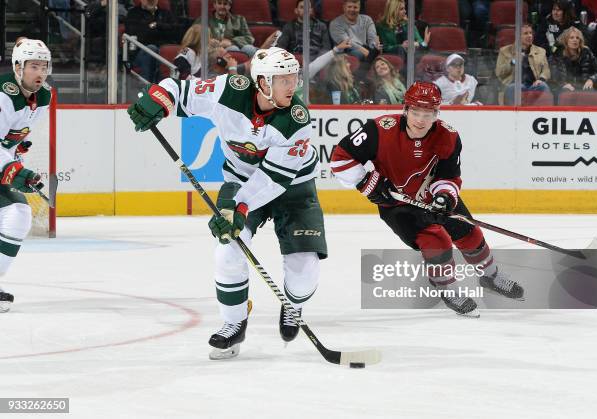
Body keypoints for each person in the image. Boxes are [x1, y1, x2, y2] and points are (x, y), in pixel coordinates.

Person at [126, 47, 326, 359]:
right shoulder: (227, 90)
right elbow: (180, 90)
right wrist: (159, 100)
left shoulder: (296, 120)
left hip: (294, 188)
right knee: (227, 249)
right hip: (240, 181)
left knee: (304, 272)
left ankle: (293, 305)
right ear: (262, 82)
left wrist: (240, 207)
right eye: (284, 79)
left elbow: (274, 180)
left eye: (294, 78)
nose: (293, 86)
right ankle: (234, 324)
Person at [330, 81, 524, 317]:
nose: (420, 119)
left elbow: (449, 175)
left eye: (428, 113)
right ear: (405, 109)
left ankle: (491, 276)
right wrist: (368, 183)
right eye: (415, 112)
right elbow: (340, 159)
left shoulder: (448, 136)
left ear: (437, 113)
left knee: (469, 233)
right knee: (437, 240)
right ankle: (447, 288)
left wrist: (444, 197)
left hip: (433, 198)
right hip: (397, 204)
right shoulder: (379, 129)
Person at [0, 39, 50, 313]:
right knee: (16, 213)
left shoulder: (43, 97)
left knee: (18, 213)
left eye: (44, 66)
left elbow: (12, 137)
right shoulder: (3, 94)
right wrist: (14, 170)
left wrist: (17, 150)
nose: (39, 72)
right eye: (33, 66)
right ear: (18, 67)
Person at [125, 0, 182, 82]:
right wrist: (162, 30)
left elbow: (177, 32)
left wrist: (157, 25)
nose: (150, 1)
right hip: (140, 52)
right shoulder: (133, 14)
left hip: (162, 50)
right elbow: (140, 36)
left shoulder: (165, 13)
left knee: (171, 51)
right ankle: (147, 88)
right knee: (151, 48)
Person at [496, 24, 551, 105]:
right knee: (514, 88)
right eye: (526, 33)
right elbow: (499, 72)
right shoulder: (505, 51)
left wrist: (541, 79)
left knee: (543, 86)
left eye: (530, 33)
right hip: (514, 84)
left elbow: (546, 70)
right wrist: (514, 61)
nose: (529, 36)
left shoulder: (541, 51)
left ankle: (543, 113)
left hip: (534, 85)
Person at [552, 26, 597, 92]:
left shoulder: (586, 51)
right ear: (566, 40)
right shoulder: (558, 54)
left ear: (580, 41)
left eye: (577, 38)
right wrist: (563, 84)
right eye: (571, 37)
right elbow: (554, 74)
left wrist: (591, 80)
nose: (575, 40)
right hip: (566, 87)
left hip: (584, 86)